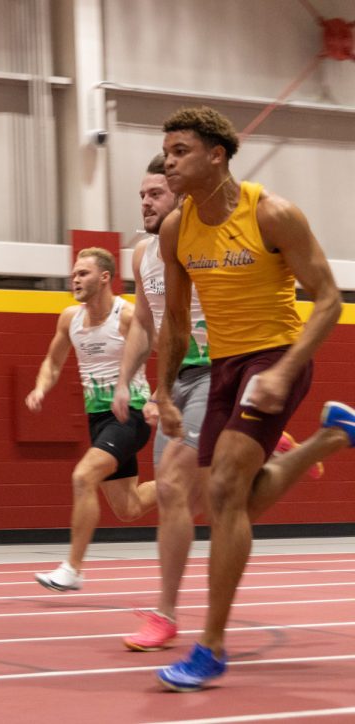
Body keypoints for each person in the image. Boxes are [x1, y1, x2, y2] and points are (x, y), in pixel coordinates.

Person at [153, 106, 353, 691]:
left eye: (181, 150)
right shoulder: (175, 229)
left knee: (221, 491)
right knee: (227, 505)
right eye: (166, 152)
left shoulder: (271, 213)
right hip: (223, 367)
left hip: (276, 357)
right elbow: (173, 321)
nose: (169, 162)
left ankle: (210, 647)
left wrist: (285, 369)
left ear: (217, 155)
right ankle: (332, 437)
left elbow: (329, 299)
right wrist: (162, 390)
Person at [111, 153, 211, 651]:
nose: (146, 204)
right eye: (142, 196)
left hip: (221, 372)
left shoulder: (205, 243)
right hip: (179, 378)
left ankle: (165, 614)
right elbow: (147, 325)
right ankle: (270, 443)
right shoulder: (141, 254)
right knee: (188, 498)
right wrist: (128, 381)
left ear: (181, 194)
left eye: (156, 195)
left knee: (173, 488)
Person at [26, 248, 158, 592]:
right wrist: (41, 388)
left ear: (104, 277)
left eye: (82, 274)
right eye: (73, 275)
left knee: (83, 477)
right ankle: (188, 479)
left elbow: (161, 347)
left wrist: (135, 388)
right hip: (98, 418)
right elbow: (52, 363)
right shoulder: (69, 319)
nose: (75, 280)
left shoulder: (127, 316)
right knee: (129, 508)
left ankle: (73, 568)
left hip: (130, 414)